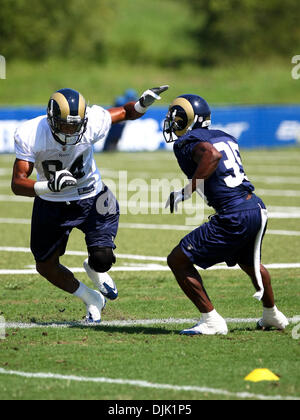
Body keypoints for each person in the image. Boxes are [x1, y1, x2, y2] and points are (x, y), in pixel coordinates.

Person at [11, 85, 168, 323]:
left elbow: (125, 113)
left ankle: (95, 268)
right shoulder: (30, 133)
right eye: (64, 124)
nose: (70, 130)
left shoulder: (93, 121)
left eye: (75, 124)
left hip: (92, 197)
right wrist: (48, 186)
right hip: (52, 203)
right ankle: (91, 298)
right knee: (45, 266)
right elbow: (17, 183)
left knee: (103, 258)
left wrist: (141, 104)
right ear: (51, 118)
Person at [163, 94, 289, 335]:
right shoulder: (225, 136)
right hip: (256, 208)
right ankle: (272, 314)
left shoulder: (187, 142)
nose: (172, 123)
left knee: (178, 260)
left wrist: (187, 190)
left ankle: (211, 320)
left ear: (188, 121)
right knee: (249, 262)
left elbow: (212, 155)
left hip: (234, 214)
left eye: (177, 118)